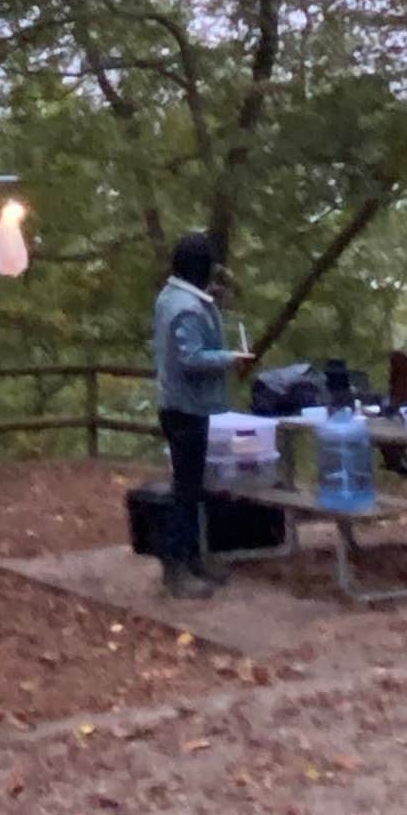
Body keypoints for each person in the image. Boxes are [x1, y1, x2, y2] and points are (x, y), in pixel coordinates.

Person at [150, 230, 248, 598]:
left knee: (192, 487)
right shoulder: (187, 308)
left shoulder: (170, 297)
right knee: (186, 490)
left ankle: (192, 558)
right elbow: (191, 358)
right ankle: (176, 568)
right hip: (187, 407)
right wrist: (230, 359)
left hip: (178, 405)